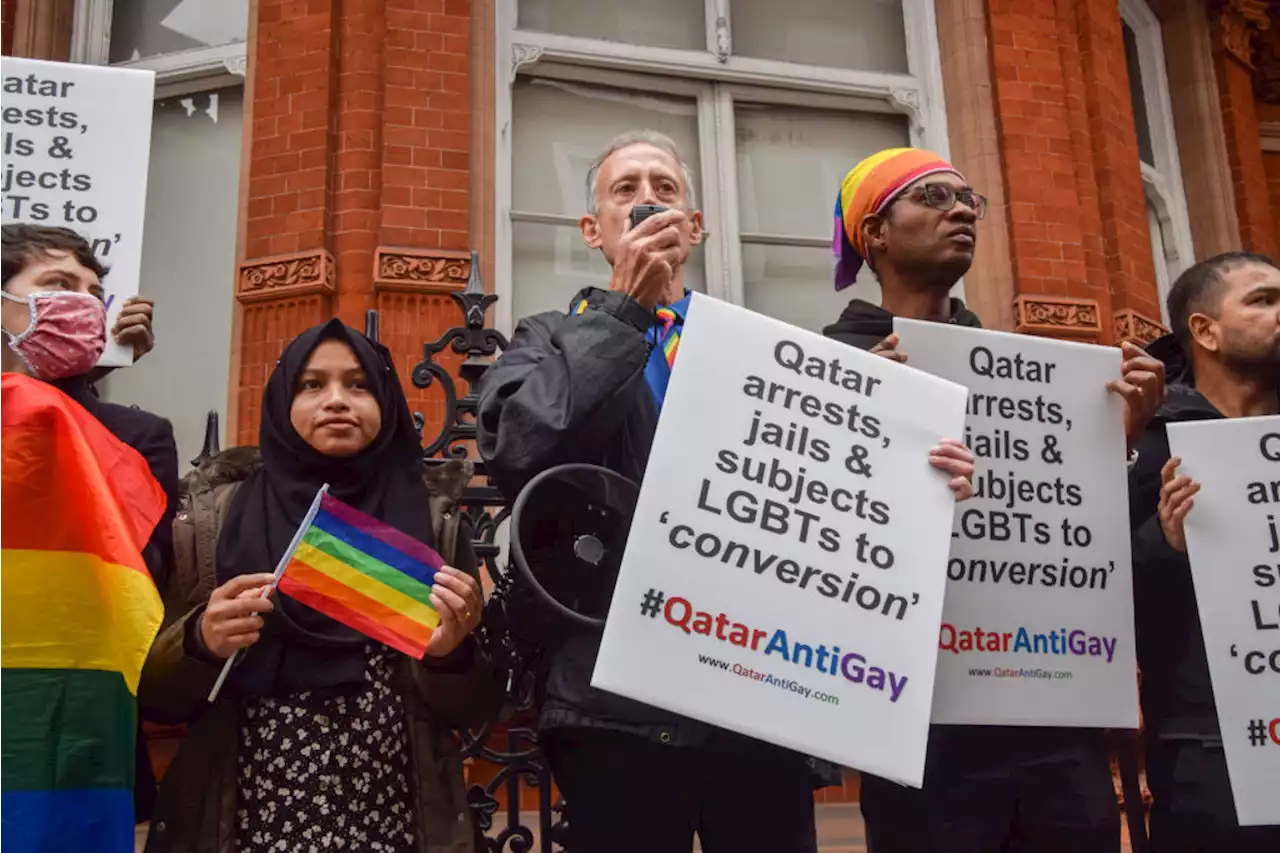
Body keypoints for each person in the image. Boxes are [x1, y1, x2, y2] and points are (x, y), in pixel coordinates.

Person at [476, 130, 976, 853]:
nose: (648, 198)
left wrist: (924, 481)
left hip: (758, 699)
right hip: (614, 702)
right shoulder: (550, 337)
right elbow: (521, 444)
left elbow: (835, 501)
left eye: (666, 187)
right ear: (594, 231)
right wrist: (622, 314)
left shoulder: (762, 350)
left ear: (695, 225)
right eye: (626, 189)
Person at [823, 147, 1167, 853]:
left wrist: (1119, 444)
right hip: (921, 729)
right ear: (875, 233)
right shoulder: (830, 366)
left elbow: (1090, 540)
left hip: (1051, 717)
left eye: (966, 197)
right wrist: (862, 430)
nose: (960, 209)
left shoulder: (1033, 377)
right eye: (931, 196)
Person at [138, 319, 505, 853]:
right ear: (282, 401)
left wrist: (449, 656)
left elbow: (478, 706)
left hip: (395, 814)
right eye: (312, 385)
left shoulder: (433, 522)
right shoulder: (211, 519)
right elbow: (155, 695)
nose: (337, 400)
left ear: (385, 402)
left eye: (358, 385)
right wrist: (199, 641)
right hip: (245, 814)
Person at [0, 222, 176, 823]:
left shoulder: (136, 438)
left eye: (91, 291)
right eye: (57, 284)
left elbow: (134, 587)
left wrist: (93, 374)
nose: (81, 302)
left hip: (74, 736)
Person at [1129, 252, 1280, 853]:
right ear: (1204, 330)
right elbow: (1096, 591)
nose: (1279, 311)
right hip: (1208, 750)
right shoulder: (1147, 441)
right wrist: (1163, 541)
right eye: (1263, 300)